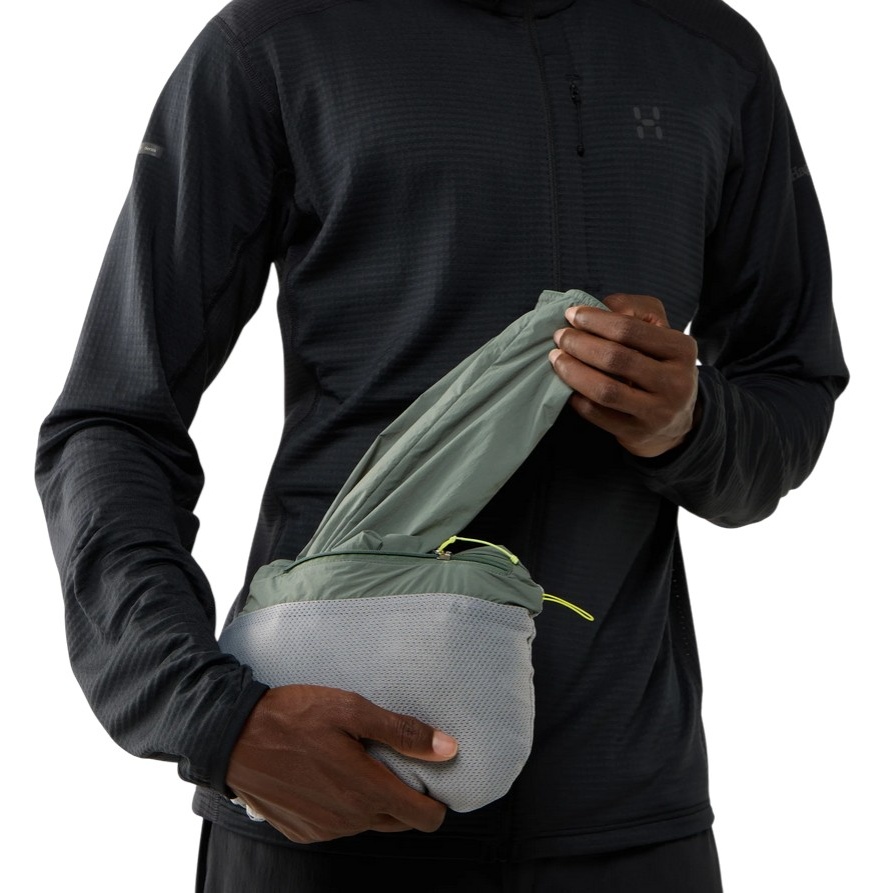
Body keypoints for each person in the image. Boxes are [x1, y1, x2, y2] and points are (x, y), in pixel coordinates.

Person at [35, 0, 848, 889]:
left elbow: (789, 388)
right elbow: (113, 419)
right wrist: (213, 717)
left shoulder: (710, 53)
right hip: (321, 789)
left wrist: (689, 421)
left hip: (624, 808)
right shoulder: (275, 42)